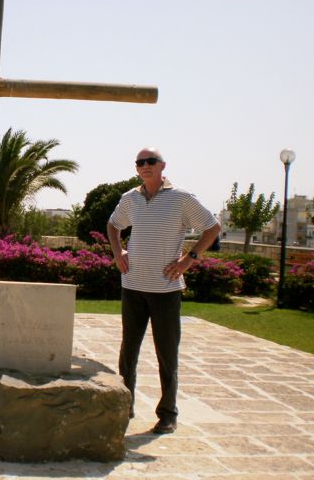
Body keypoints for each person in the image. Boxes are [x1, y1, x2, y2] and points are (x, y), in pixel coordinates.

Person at [107, 147, 221, 434]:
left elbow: (212, 226)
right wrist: (118, 251)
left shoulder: (181, 198)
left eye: (150, 161)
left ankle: (168, 413)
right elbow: (113, 225)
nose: (145, 166)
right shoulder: (129, 199)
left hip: (165, 290)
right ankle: (126, 404)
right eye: (140, 163)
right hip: (132, 286)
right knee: (127, 352)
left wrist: (188, 260)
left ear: (162, 166)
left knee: (166, 354)